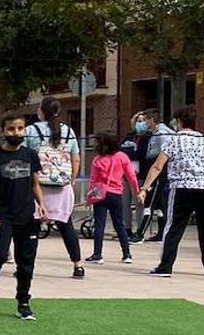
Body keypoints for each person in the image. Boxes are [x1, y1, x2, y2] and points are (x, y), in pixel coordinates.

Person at [0, 112, 47, 321]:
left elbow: (35, 183)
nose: (16, 133)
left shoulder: (30, 155)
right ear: (3, 131)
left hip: (27, 216)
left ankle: (23, 302)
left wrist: (41, 205)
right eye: (11, 129)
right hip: (3, 215)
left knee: (26, 261)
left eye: (20, 128)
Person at [139, 106, 204, 278]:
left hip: (182, 187)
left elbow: (158, 166)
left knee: (174, 228)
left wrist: (145, 187)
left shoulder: (173, 140)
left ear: (179, 122)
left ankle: (165, 267)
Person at [24, 97, 85, 279]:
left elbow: (22, 156)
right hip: (62, 186)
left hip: (36, 186)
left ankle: (27, 267)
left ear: (41, 111)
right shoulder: (69, 131)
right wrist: (72, 179)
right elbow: (76, 158)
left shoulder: (31, 130)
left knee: (32, 229)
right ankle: (78, 265)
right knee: (66, 226)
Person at [86, 132, 140, 266]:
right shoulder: (122, 157)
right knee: (119, 225)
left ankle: (97, 255)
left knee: (99, 224)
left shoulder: (98, 159)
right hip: (116, 194)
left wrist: (90, 198)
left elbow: (93, 181)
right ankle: (126, 254)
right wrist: (137, 191)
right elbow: (131, 176)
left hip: (101, 193)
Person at [139, 109, 175, 242]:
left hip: (159, 169)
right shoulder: (155, 133)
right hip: (153, 166)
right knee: (160, 205)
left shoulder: (162, 134)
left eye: (145, 120)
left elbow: (164, 156)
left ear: (152, 120)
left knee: (150, 201)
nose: (143, 123)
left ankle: (140, 233)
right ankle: (161, 232)